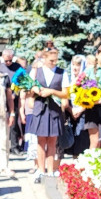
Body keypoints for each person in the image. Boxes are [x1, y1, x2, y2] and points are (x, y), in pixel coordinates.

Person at [28, 47, 67, 182]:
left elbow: (65, 93)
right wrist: (35, 90)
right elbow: (28, 88)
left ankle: (50, 171)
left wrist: (51, 91)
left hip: (54, 111)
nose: (54, 63)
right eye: (51, 60)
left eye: (56, 60)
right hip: (40, 109)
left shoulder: (62, 73)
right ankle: (40, 170)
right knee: (41, 141)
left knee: (52, 141)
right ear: (44, 58)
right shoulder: (36, 71)